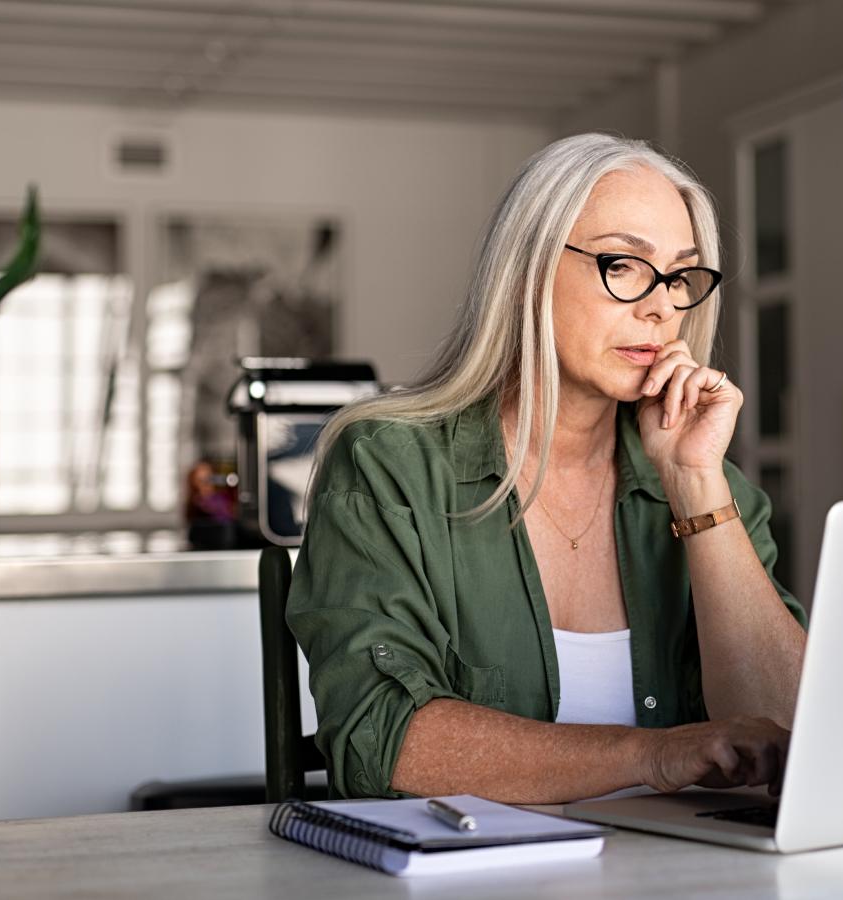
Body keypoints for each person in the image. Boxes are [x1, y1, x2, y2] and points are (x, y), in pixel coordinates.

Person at [287, 133, 807, 804]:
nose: (663, 306)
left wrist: (694, 486)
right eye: (623, 264)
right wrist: (653, 755)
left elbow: (794, 737)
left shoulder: (711, 487)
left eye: (680, 276)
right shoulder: (392, 465)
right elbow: (380, 741)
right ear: (528, 269)